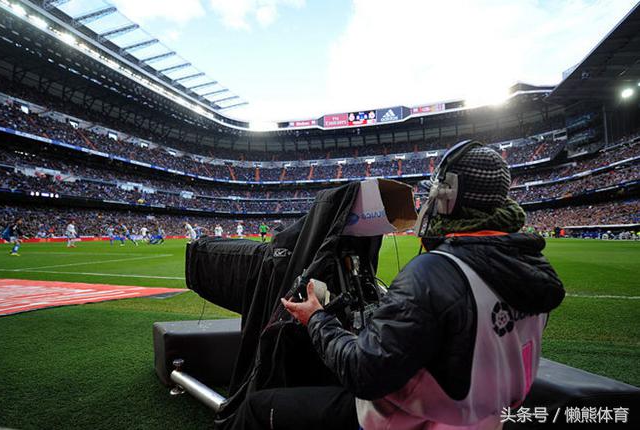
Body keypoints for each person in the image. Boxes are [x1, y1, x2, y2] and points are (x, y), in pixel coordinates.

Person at [229, 142, 566, 429]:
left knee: (259, 406)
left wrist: (316, 318)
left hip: (412, 420)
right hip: (484, 418)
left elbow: (364, 373)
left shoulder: (436, 272)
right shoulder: (534, 268)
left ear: (447, 196)